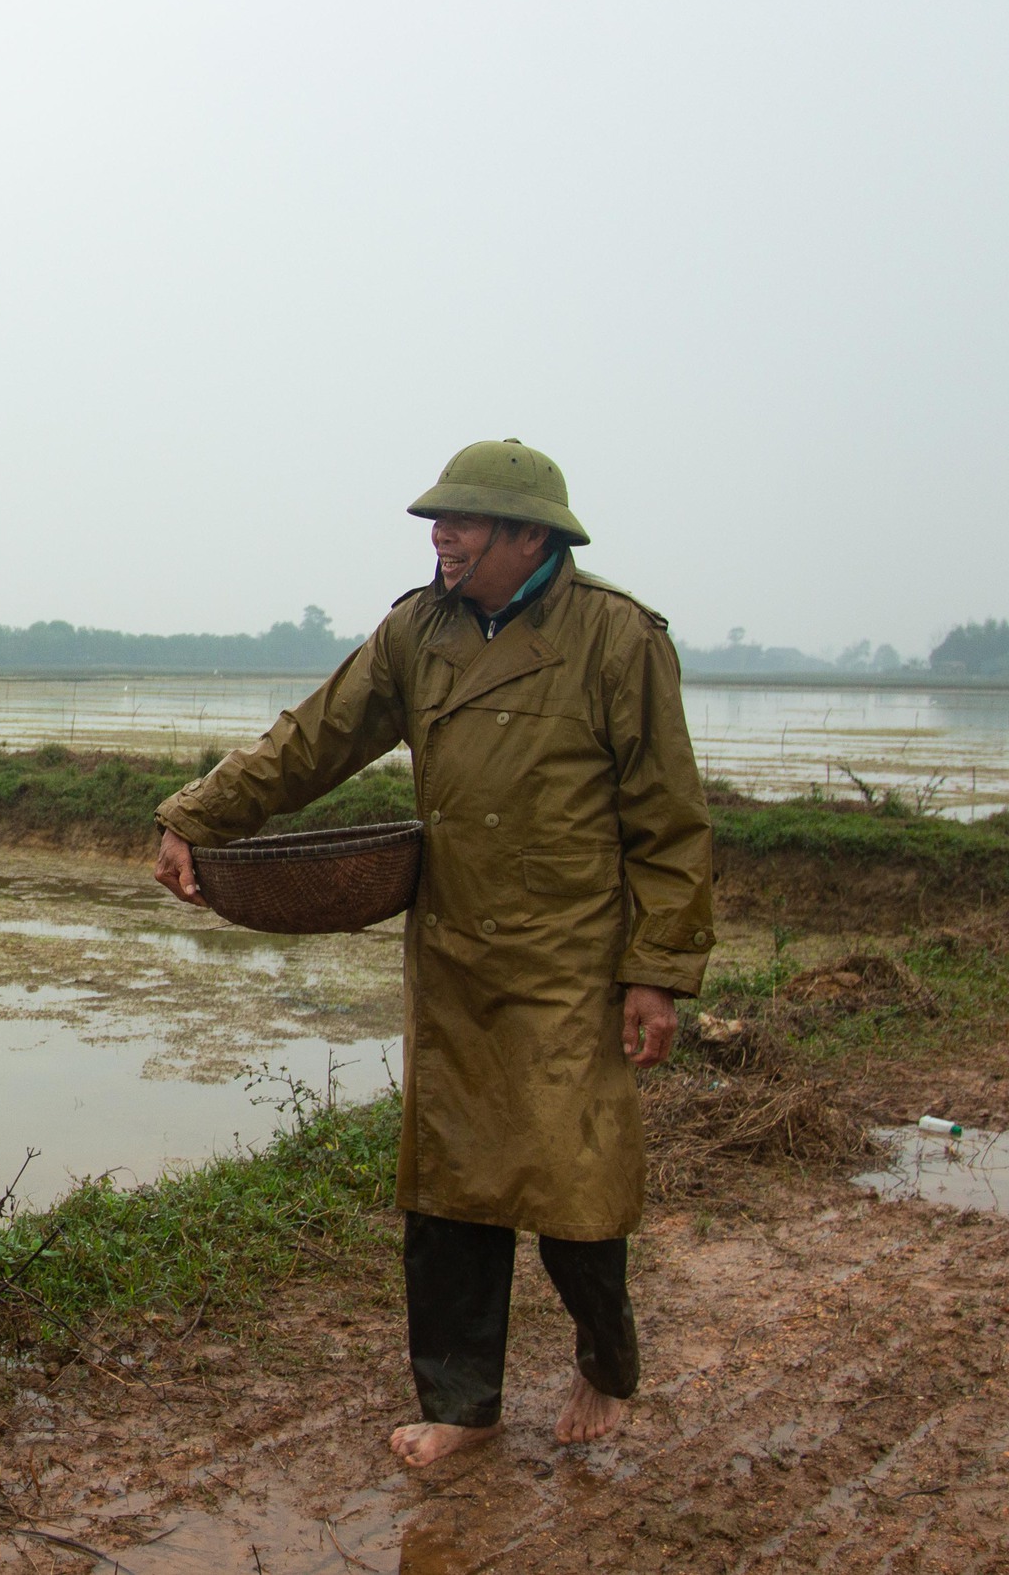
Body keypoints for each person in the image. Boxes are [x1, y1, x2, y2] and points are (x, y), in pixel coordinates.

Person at [151, 440, 715, 1466]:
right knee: (449, 1187)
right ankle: (463, 1407)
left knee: (575, 1188)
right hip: (453, 953)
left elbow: (669, 824)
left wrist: (656, 972)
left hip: (569, 963)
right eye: (435, 523)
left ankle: (606, 1360)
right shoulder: (418, 630)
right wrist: (196, 812)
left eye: (460, 523)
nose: (439, 538)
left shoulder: (616, 640)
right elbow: (312, 740)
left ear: (528, 535)